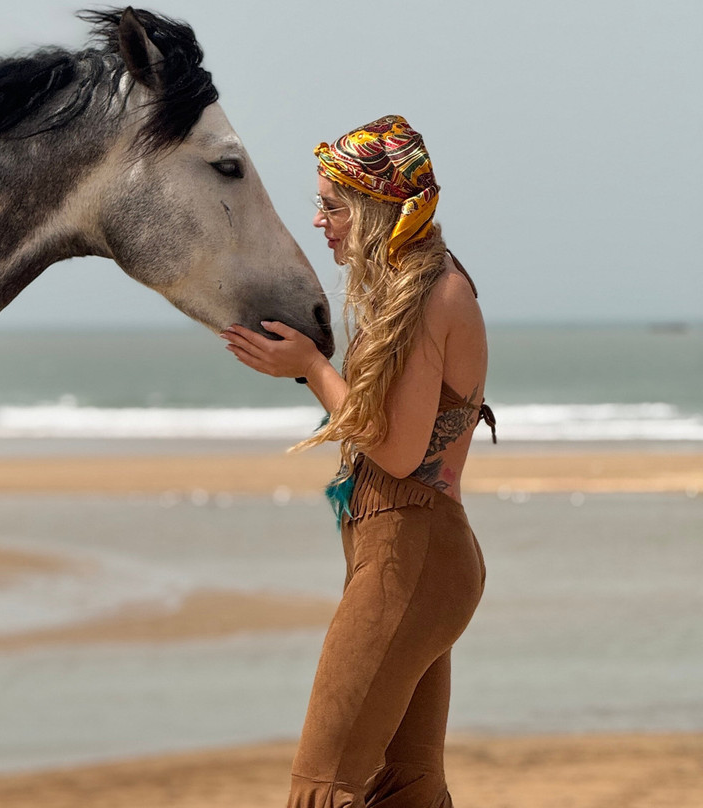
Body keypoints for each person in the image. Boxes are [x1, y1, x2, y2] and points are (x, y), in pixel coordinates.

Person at [221, 115, 495, 808]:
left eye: (333, 206)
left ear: (379, 207)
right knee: (405, 791)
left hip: (412, 556)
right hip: (407, 556)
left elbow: (399, 454)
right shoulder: (413, 286)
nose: (319, 221)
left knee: (323, 789)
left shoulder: (435, 294)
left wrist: (312, 367)